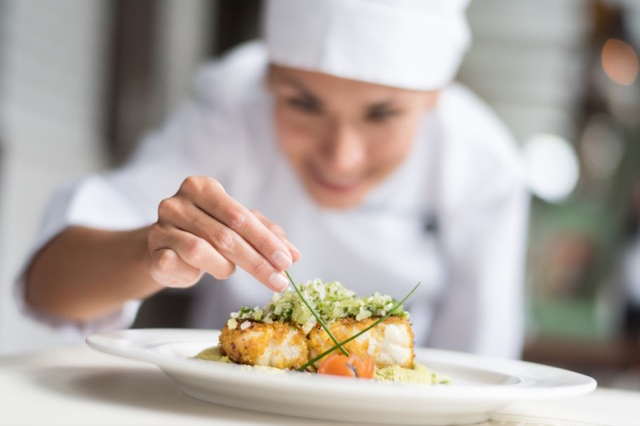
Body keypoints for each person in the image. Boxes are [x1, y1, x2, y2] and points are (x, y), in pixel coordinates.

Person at [15, 0, 530, 358]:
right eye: (304, 103)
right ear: (269, 81)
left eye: (382, 115)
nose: (342, 157)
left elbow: (482, 363)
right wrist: (154, 251)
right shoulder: (233, 108)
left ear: (435, 97)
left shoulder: (482, 164)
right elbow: (48, 289)